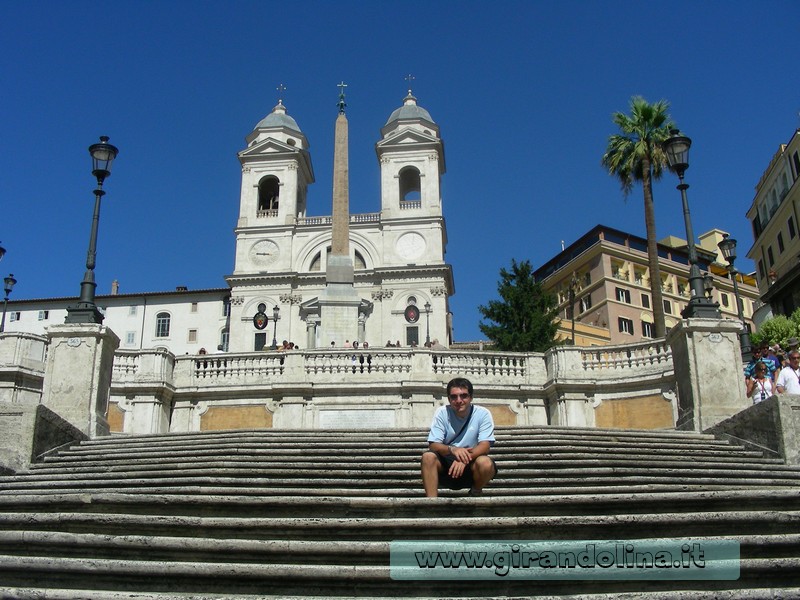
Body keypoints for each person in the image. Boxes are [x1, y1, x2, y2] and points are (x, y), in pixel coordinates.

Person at [421, 377, 497, 498]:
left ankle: (476, 490)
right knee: (428, 456)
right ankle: (432, 503)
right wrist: (453, 450)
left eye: (464, 396)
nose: (459, 400)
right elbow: (433, 444)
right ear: (449, 399)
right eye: (454, 397)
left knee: (486, 463)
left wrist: (464, 459)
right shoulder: (442, 412)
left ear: (471, 397)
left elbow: (485, 445)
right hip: (447, 462)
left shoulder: (483, 413)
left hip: (472, 461)